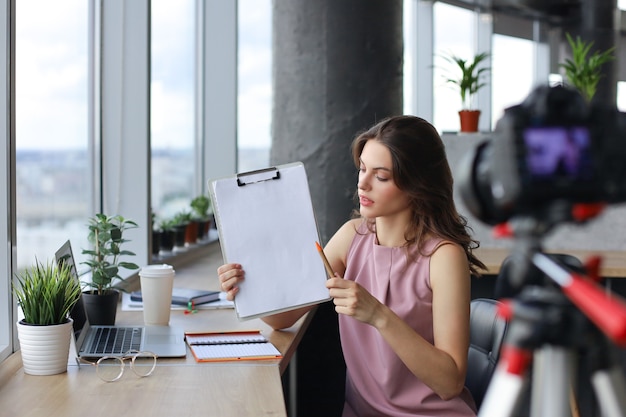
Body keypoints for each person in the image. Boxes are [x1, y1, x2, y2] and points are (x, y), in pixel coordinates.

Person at [218, 115, 486, 416]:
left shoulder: (443, 256)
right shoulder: (351, 237)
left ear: (417, 184)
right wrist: (247, 285)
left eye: (381, 176)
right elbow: (283, 317)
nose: (363, 183)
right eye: (362, 169)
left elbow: (450, 383)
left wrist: (379, 315)